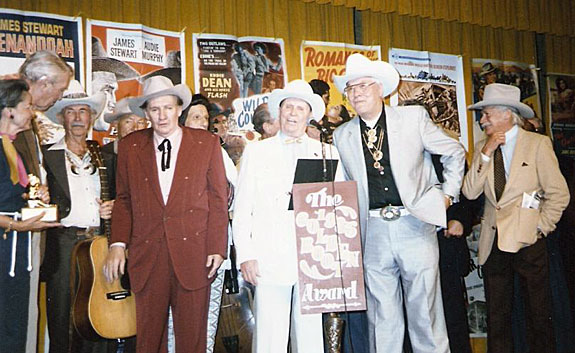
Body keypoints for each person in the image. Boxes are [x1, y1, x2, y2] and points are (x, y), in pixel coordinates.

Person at [332, 53, 465, 353]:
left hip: (415, 225)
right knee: (382, 321)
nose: (357, 93)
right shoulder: (342, 135)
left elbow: (454, 152)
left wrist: (447, 195)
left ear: (380, 88)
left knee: (426, 317)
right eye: (351, 88)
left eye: (364, 85)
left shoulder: (412, 117)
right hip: (373, 232)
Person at [104, 76, 229, 353]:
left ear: (179, 109)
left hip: (195, 255)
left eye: (168, 108)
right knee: (148, 340)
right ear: (146, 112)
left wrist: (217, 247)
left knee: (192, 339)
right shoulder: (129, 147)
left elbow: (218, 200)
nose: (162, 116)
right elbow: (123, 200)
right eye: (155, 109)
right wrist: (117, 243)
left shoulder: (206, 143)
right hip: (147, 257)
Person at [233, 79, 341, 353]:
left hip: (314, 261)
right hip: (268, 259)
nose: (293, 113)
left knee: (311, 340)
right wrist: (246, 255)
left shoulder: (327, 154)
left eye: (300, 108)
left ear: (309, 115)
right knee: (270, 338)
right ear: (278, 113)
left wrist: (336, 257)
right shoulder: (257, 152)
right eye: (287, 107)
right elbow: (243, 208)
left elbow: (339, 208)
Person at [463, 83, 570, 353]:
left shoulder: (537, 144)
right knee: (497, 319)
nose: (482, 119)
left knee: (539, 316)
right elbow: (470, 190)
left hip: (529, 241)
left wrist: (541, 229)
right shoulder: (481, 147)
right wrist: (486, 154)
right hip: (493, 243)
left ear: (507, 114)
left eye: (487, 114)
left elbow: (558, 193)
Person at [41, 80, 114, 353]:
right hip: (64, 246)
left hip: (99, 245)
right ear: (61, 117)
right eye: (71, 112)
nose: (77, 118)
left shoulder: (104, 157)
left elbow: (121, 199)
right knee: (63, 318)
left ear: (91, 117)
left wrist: (114, 207)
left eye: (83, 111)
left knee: (99, 318)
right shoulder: (48, 157)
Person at [7, 51, 73, 353]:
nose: (58, 98)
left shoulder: (28, 120)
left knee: (24, 324)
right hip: (9, 241)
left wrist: (39, 192)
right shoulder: (11, 115)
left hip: (26, 241)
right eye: (59, 90)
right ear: (44, 82)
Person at [0, 79, 59, 353]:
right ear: (9, 110)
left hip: (16, 251)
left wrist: (37, 198)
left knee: (15, 326)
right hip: (5, 247)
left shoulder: (12, 147)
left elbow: (15, 195)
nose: (31, 112)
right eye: (27, 106)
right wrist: (14, 224)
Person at [101, 97, 147, 198]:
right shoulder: (102, 156)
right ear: (116, 125)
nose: (135, 128)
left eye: (140, 122)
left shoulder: (152, 155)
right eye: (128, 122)